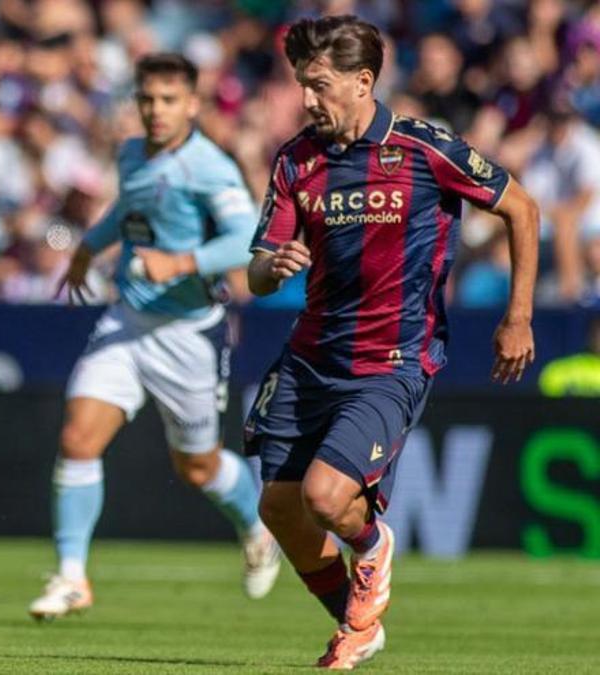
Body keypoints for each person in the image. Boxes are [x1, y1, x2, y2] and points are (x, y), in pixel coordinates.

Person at [245, 16, 538, 669]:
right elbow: (258, 270)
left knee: (326, 496)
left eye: (319, 85)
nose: (308, 99)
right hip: (311, 355)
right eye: (301, 84)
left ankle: (372, 551)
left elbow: (522, 208)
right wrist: (272, 266)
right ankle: (360, 622)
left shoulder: (424, 148)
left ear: (363, 81)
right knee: (281, 509)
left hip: (393, 359)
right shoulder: (296, 159)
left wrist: (517, 316)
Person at [29, 52, 281, 621]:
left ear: (192, 104)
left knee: (197, 466)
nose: (156, 110)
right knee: (77, 439)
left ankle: (257, 531)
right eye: (147, 99)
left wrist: (181, 262)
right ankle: (72, 577)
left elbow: (249, 239)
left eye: (169, 100)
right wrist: (90, 246)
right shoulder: (131, 153)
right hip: (127, 321)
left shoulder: (209, 167)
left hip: (188, 334)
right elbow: (130, 207)